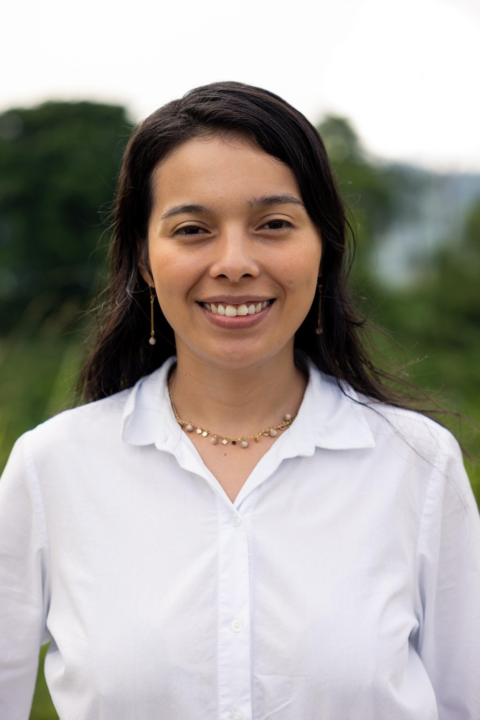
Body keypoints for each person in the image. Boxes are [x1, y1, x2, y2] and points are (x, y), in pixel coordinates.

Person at [0, 81, 479, 720]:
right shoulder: (52, 467)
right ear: (144, 257)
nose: (234, 262)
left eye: (273, 225)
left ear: (323, 246)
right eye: (193, 229)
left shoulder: (417, 464)